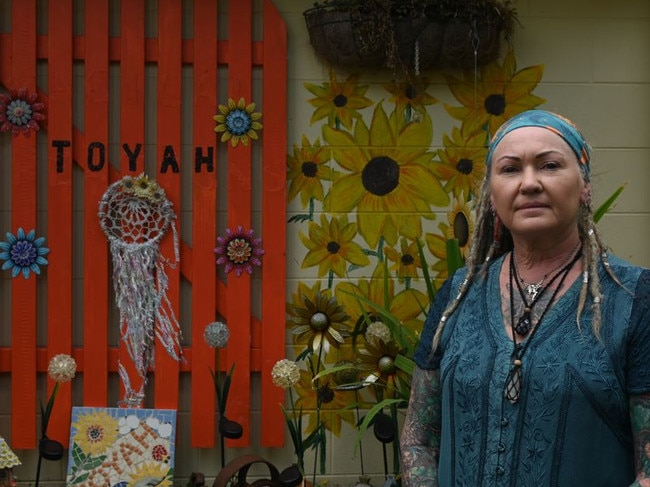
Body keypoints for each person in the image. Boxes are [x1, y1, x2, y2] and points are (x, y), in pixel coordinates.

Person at [400, 109, 650, 486]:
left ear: (585, 186)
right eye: (510, 169)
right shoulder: (458, 293)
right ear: (492, 192)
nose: (529, 183)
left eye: (549, 165)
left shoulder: (634, 299)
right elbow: (419, 438)